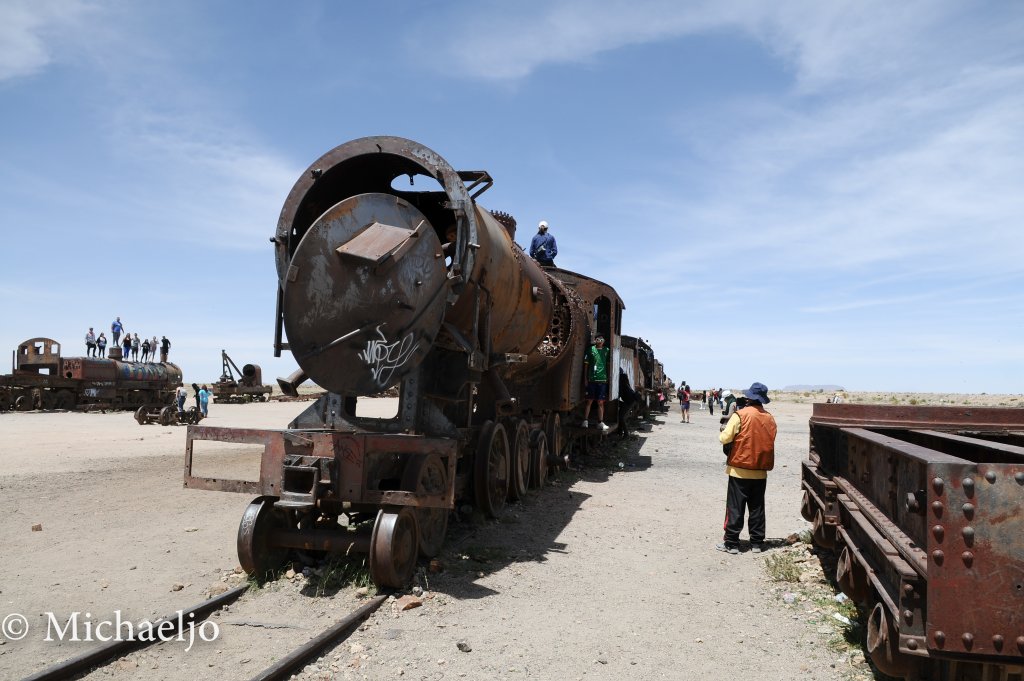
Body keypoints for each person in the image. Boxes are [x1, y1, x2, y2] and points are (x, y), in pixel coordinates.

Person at [716, 382, 777, 555]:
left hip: (739, 469)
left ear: (749, 398)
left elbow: (725, 438)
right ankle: (757, 543)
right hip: (760, 471)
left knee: (735, 507)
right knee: (757, 507)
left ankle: (731, 543)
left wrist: (722, 431)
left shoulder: (740, 415)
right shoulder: (770, 418)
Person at [581, 334, 610, 432]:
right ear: (595, 340)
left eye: (602, 339)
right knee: (589, 401)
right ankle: (585, 421)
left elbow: (609, 364)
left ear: (604, 341)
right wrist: (585, 378)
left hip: (602, 380)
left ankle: (600, 422)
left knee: (600, 402)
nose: (600, 341)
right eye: (598, 339)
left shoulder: (607, 350)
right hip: (592, 379)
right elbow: (586, 365)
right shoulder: (590, 350)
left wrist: (609, 377)